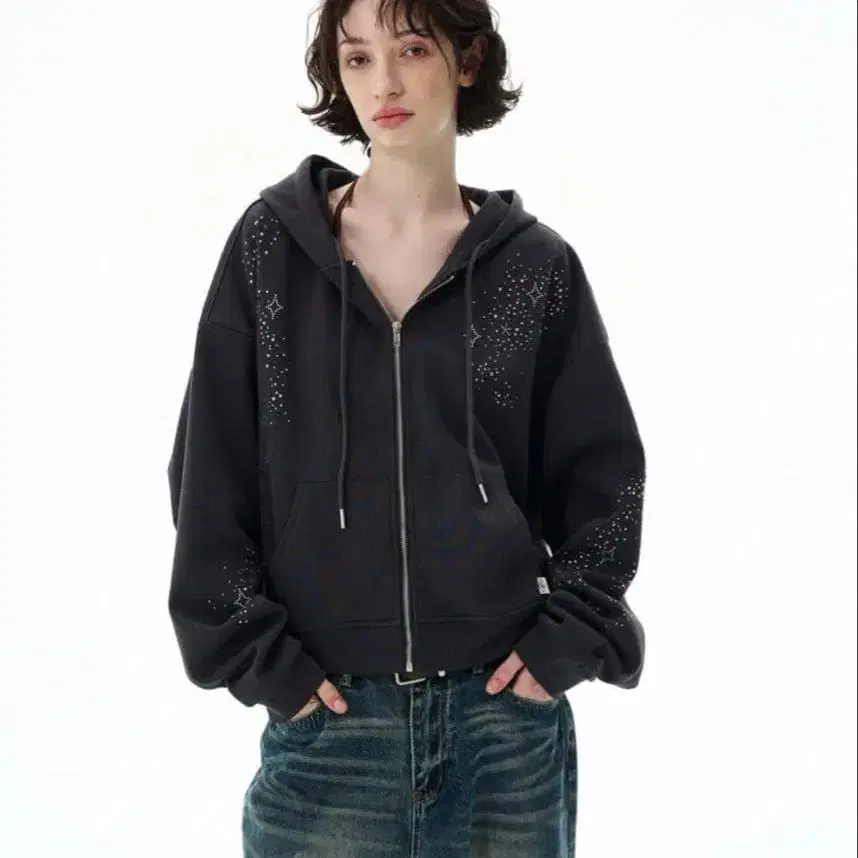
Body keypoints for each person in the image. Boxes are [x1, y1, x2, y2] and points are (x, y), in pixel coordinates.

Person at [166, 0, 647, 854]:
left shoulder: (534, 266)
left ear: (468, 61)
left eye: (413, 49)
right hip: (331, 727)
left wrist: (569, 638)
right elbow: (211, 470)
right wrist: (265, 663)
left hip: (502, 728)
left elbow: (603, 478)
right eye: (357, 58)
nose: (382, 83)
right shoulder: (272, 251)